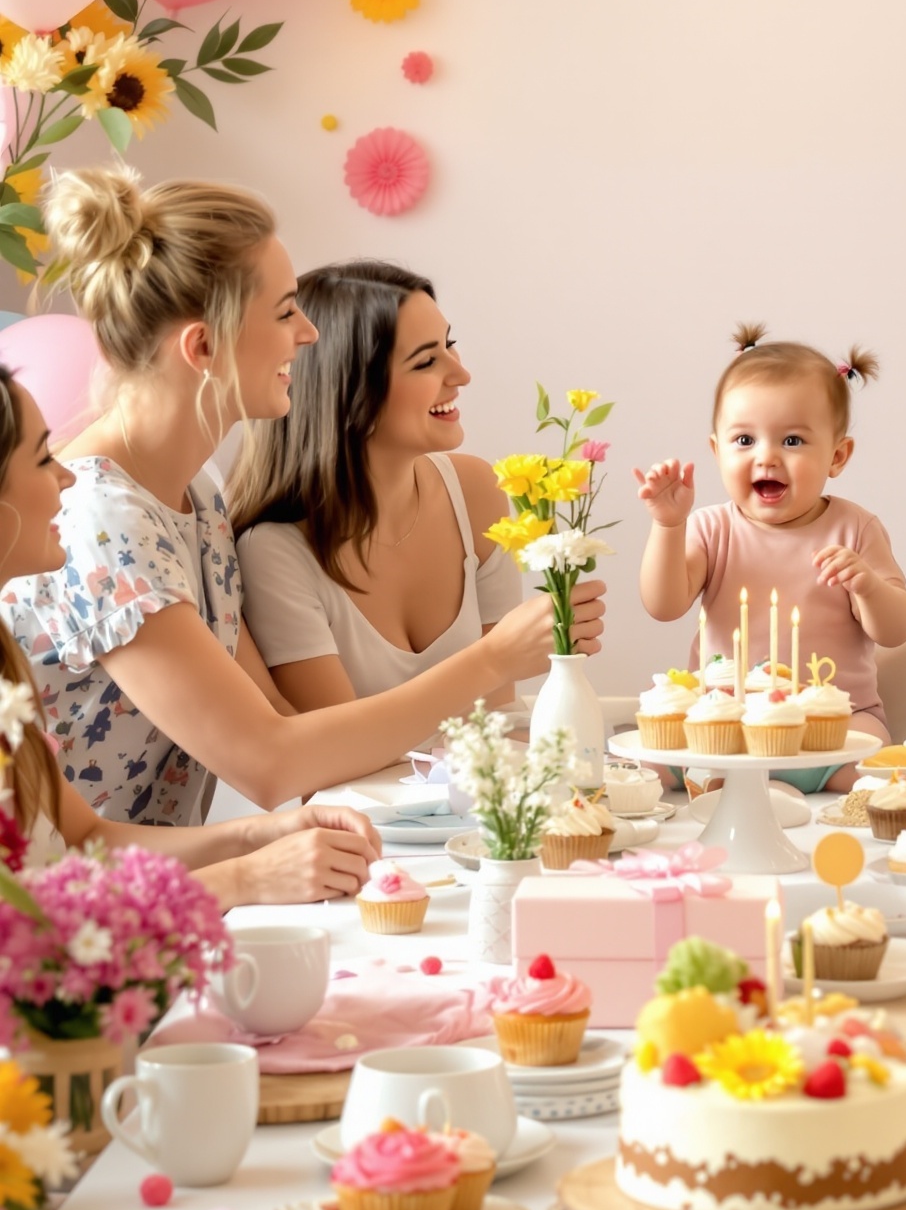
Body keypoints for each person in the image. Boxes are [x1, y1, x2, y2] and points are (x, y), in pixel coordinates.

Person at [2, 168, 603, 826]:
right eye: (286, 310)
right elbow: (268, 763)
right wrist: (490, 660)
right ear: (203, 346)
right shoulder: (103, 522)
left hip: (155, 893)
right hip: (63, 907)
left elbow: (286, 726)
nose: (308, 334)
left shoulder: (195, 500)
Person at [0, 365, 381, 899]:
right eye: (42, 457)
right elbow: (29, 926)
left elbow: (83, 839)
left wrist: (259, 837)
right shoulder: (103, 516)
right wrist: (245, 877)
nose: (66, 475)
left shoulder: (201, 499)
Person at [232, 259, 523, 709]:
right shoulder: (275, 551)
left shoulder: (477, 491)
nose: (461, 375)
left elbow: (501, 717)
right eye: (426, 361)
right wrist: (496, 658)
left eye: (450, 346)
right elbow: (335, 752)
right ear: (349, 390)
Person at [634, 325, 906, 740]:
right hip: (729, 721)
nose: (766, 456)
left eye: (792, 440)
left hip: (834, 721)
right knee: (665, 762)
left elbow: (896, 631)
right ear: (717, 451)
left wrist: (868, 587)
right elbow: (663, 605)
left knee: (868, 752)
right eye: (745, 439)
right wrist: (668, 524)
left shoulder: (855, 529)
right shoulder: (711, 529)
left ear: (837, 456)